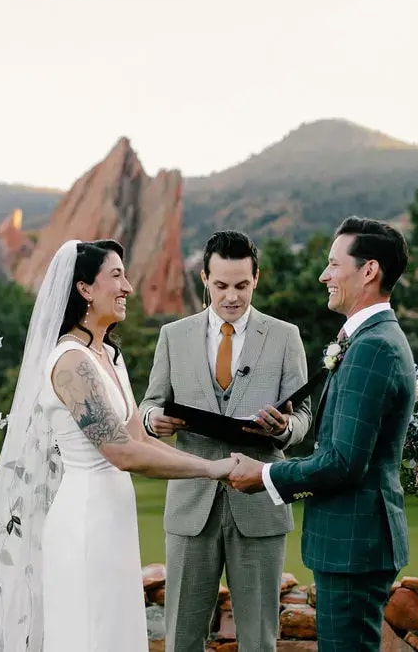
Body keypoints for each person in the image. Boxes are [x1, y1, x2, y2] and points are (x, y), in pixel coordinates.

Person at [0, 239, 235, 652]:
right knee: (89, 633)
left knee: (114, 631)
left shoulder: (109, 355)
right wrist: (214, 470)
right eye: (116, 276)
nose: (128, 288)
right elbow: (121, 451)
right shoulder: (69, 362)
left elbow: (138, 437)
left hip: (115, 518)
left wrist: (216, 464)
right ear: (85, 289)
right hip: (84, 519)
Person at [227, 217, 415, 652]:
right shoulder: (370, 338)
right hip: (352, 540)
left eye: (333, 264)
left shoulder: (373, 346)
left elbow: (345, 462)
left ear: (368, 271)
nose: (323, 275)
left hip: (355, 542)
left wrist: (266, 476)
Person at [139, 230, 313, 652]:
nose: (231, 296)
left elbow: (306, 416)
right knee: (181, 637)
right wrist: (153, 421)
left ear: (257, 278)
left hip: (259, 507)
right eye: (221, 286)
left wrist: (283, 430)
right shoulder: (173, 335)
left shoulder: (285, 335)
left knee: (258, 640)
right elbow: (148, 406)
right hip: (190, 507)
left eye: (241, 285)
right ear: (204, 278)